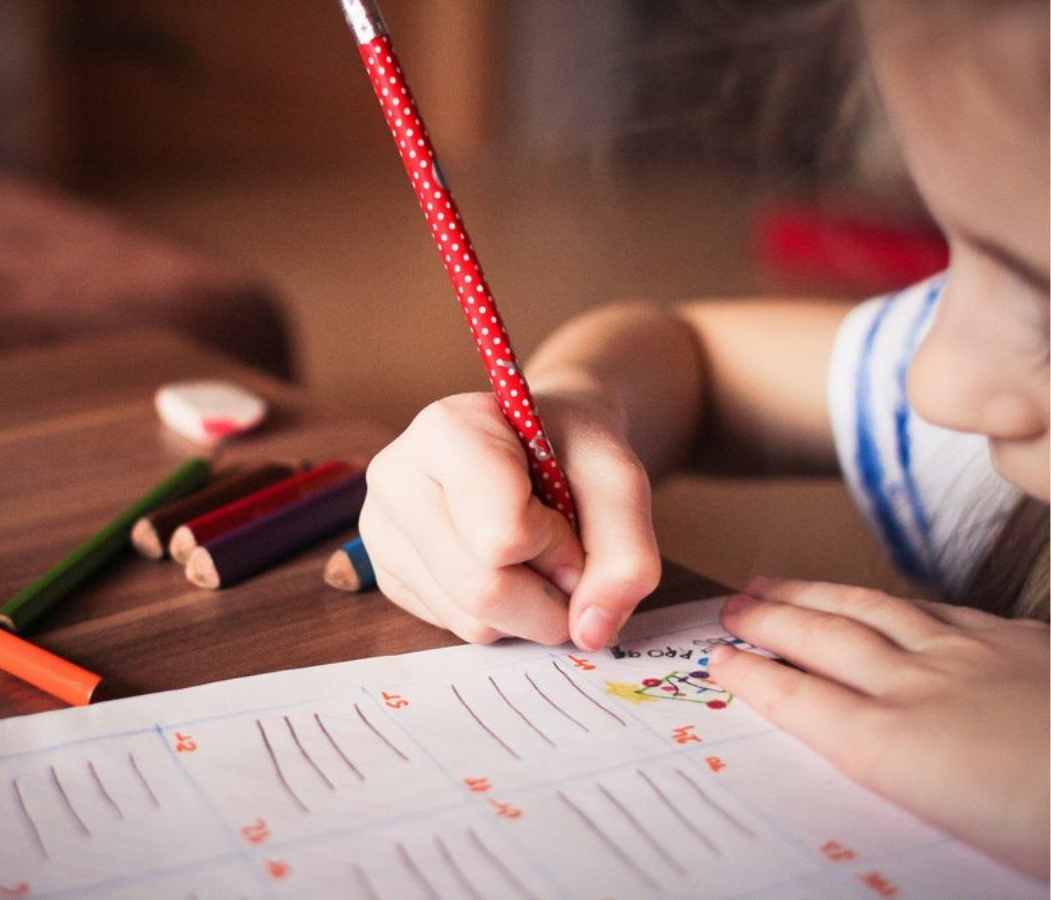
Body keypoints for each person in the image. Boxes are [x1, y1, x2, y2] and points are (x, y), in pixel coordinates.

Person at [357, 0, 1049, 881]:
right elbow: (692, 358)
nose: (932, 380)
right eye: (953, 254)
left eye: (1042, 301)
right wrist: (581, 407)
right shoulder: (987, 408)